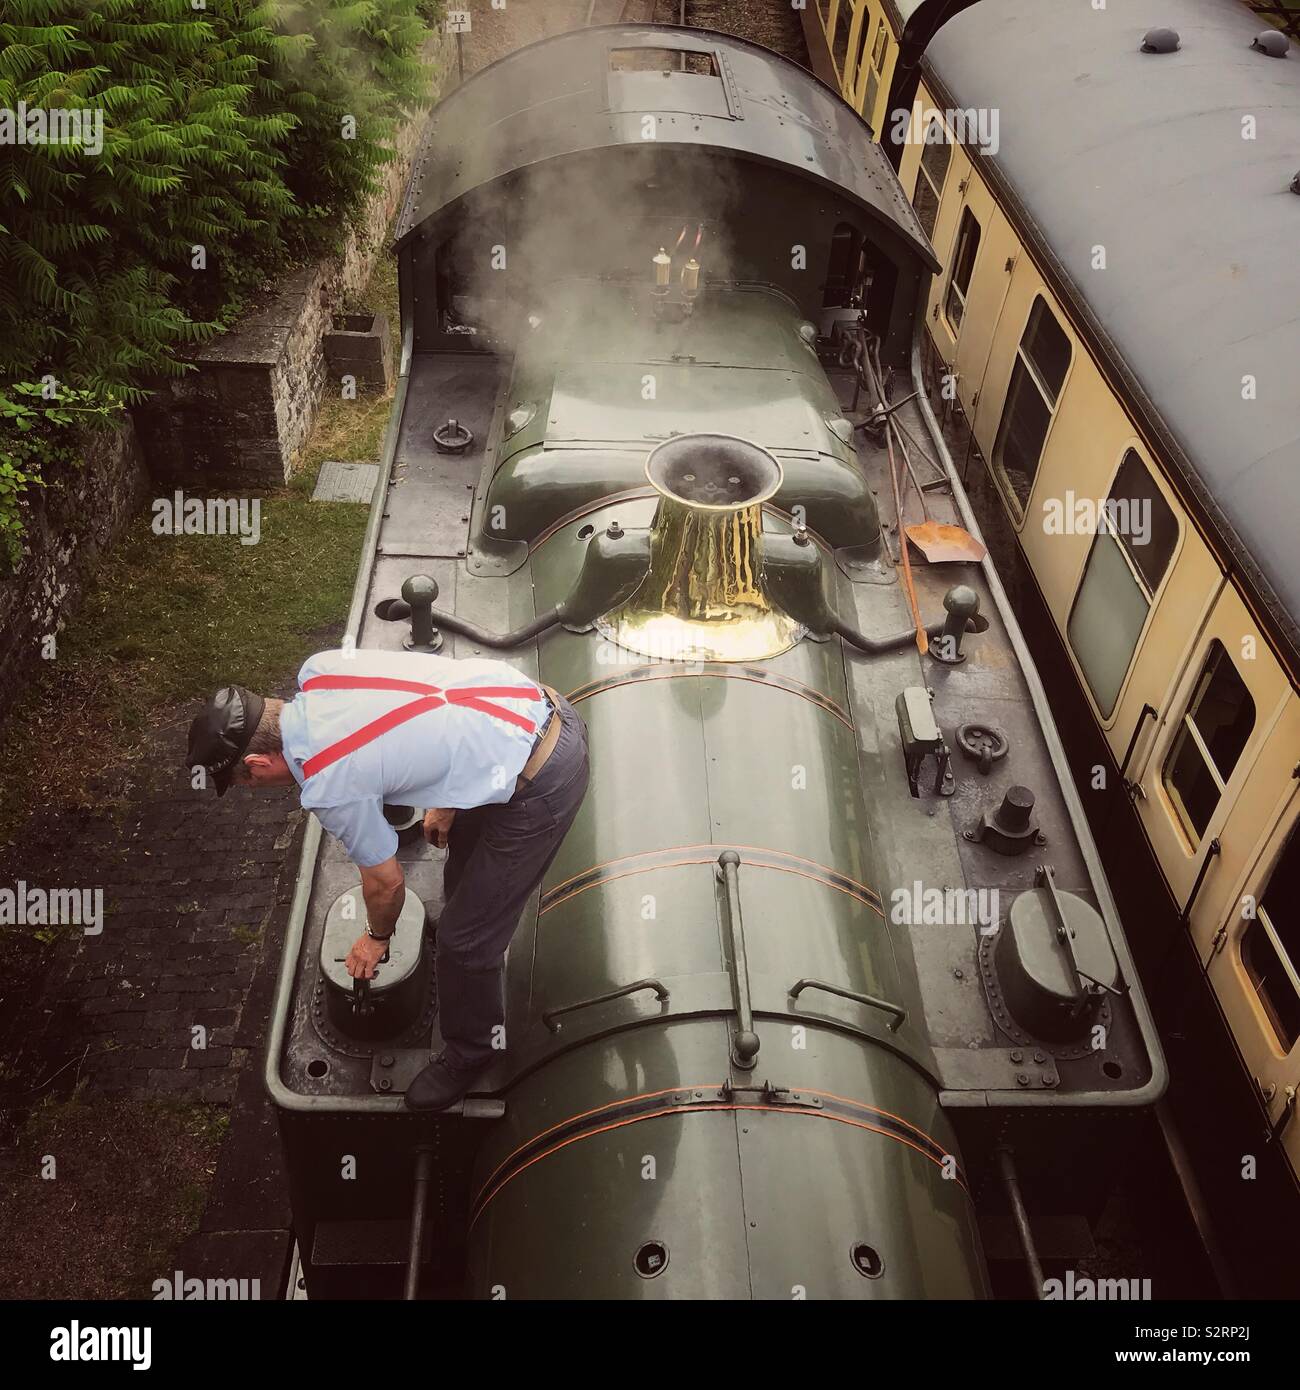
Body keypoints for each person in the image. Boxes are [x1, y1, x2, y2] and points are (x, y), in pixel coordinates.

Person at [186, 648, 589, 1110]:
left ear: (257, 765)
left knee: (465, 943)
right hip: (534, 708)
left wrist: (377, 938)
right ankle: (464, 930)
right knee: (461, 866)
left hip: (544, 778)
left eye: (247, 784)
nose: (255, 791)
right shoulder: (321, 671)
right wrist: (449, 797)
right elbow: (422, 704)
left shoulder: (328, 779)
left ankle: (473, 1051)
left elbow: (386, 883)